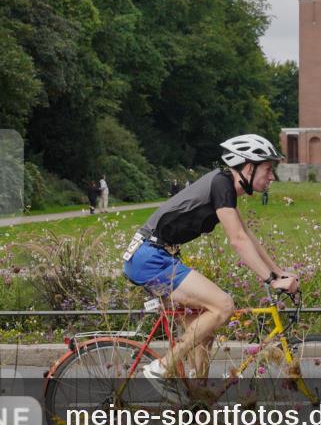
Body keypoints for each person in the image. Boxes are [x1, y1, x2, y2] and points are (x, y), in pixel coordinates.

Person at [122, 134, 299, 402]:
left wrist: (278, 272)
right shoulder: (221, 184)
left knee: (205, 330)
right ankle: (162, 368)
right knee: (224, 305)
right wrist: (271, 280)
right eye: (268, 169)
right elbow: (237, 241)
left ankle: (197, 400)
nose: (272, 177)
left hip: (156, 257)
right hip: (150, 259)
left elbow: (247, 235)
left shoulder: (224, 187)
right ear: (247, 168)